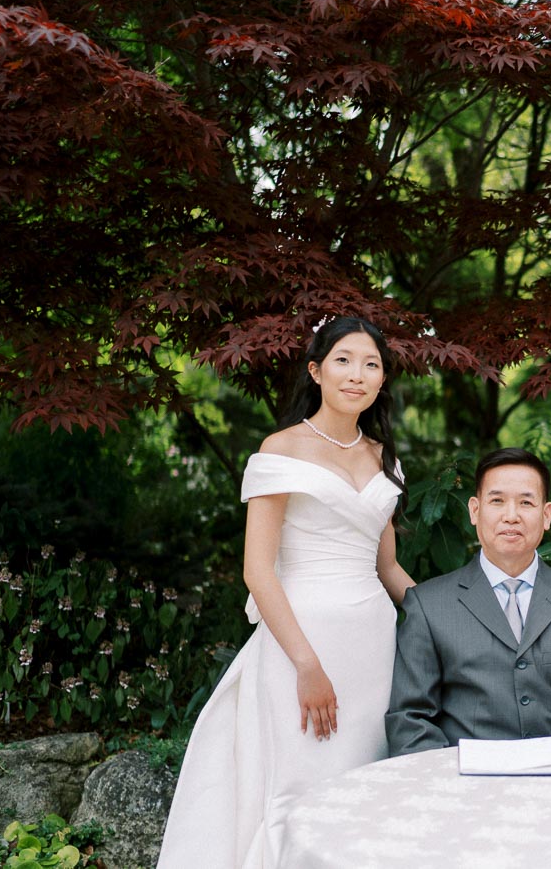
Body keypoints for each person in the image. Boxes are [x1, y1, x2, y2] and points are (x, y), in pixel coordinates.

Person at [159, 317, 416, 868]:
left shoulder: (383, 458)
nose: (358, 374)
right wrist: (306, 664)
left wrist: (450, 619)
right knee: (303, 780)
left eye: (371, 364)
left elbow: (389, 568)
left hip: (373, 645)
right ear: (316, 370)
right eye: (344, 360)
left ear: (381, 381)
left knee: (362, 778)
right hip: (302, 641)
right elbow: (258, 571)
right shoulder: (282, 449)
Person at [385, 447, 551, 755]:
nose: (511, 516)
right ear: (474, 510)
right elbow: (410, 719)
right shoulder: (429, 605)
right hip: (465, 786)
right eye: (497, 501)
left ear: (546, 514)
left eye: (526, 502)